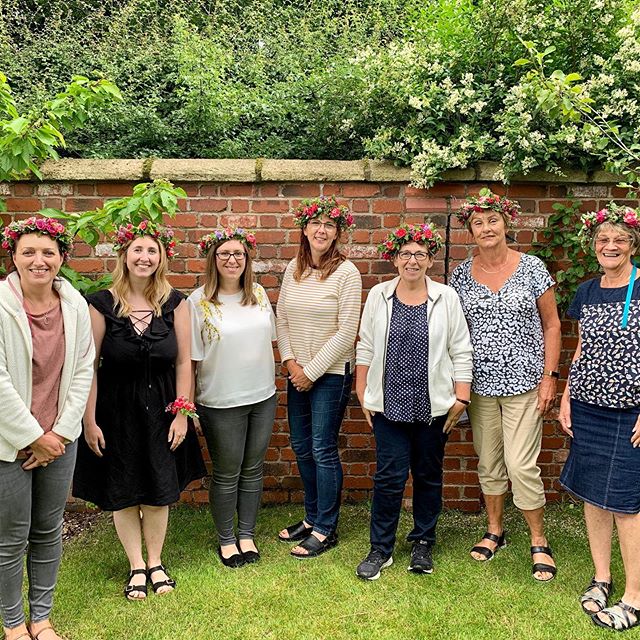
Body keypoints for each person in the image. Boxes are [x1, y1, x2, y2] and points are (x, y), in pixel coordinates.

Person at [72, 220, 205, 600]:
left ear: (161, 257)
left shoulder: (176, 304)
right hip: (115, 410)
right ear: (124, 256)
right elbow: (89, 363)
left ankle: (157, 562)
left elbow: (184, 363)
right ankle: (136, 565)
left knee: (159, 488)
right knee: (123, 487)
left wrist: (182, 413)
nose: (144, 257)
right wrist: (89, 419)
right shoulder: (101, 303)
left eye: (152, 250)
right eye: (137, 250)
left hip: (163, 409)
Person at [450, 189, 561, 581]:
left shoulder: (531, 267)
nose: (486, 228)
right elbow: (453, 330)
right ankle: (495, 530)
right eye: (478, 223)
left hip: (526, 384)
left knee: (521, 465)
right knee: (489, 463)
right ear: (470, 230)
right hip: (480, 387)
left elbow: (552, 325)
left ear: (506, 223)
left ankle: (538, 539)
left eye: (492, 220)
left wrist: (550, 378)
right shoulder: (460, 274)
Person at [354, 223, 473, 580]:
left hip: (432, 406)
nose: (412, 260)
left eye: (420, 254)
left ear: (430, 260)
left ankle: (423, 542)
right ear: (394, 259)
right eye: (405, 253)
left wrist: (462, 396)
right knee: (389, 478)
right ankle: (381, 548)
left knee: (428, 475)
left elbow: (461, 348)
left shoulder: (446, 297)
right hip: (388, 404)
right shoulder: (378, 295)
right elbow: (365, 344)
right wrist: (362, 392)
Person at [0, 217, 94, 640]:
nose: (39, 261)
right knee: (10, 538)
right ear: (14, 256)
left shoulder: (74, 305)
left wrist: (58, 434)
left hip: (59, 440)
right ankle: (14, 624)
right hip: (8, 442)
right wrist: (31, 436)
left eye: (48, 252)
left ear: (62, 258)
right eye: (29, 252)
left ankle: (41, 619)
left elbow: (82, 372)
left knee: (47, 530)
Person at [558, 204, 640, 631]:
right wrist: (568, 395)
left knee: (626, 502)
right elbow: (582, 346)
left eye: (619, 240)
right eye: (603, 240)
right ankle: (602, 577)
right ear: (594, 246)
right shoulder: (588, 291)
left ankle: (634, 596)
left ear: (632, 244)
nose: (610, 246)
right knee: (594, 494)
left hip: (630, 413)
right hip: (589, 406)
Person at [276, 195, 362, 558]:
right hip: (298, 373)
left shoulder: (347, 273)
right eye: (316, 223)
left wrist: (311, 371)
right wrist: (292, 363)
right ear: (305, 229)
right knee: (301, 446)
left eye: (329, 225)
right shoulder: (293, 269)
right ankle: (311, 518)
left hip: (330, 375)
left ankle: (326, 528)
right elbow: (280, 319)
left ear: (337, 232)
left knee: (323, 449)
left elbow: (347, 332)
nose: (322, 230)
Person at [189, 227, 276, 568]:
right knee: (227, 472)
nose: (232, 259)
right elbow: (192, 359)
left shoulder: (257, 293)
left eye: (238, 254)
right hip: (221, 400)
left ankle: (247, 534)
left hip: (262, 395)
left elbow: (266, 339)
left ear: (247, 259)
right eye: (224, 253)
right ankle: (227, 540)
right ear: (213, 258)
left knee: (253, 469)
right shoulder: (197, 302)